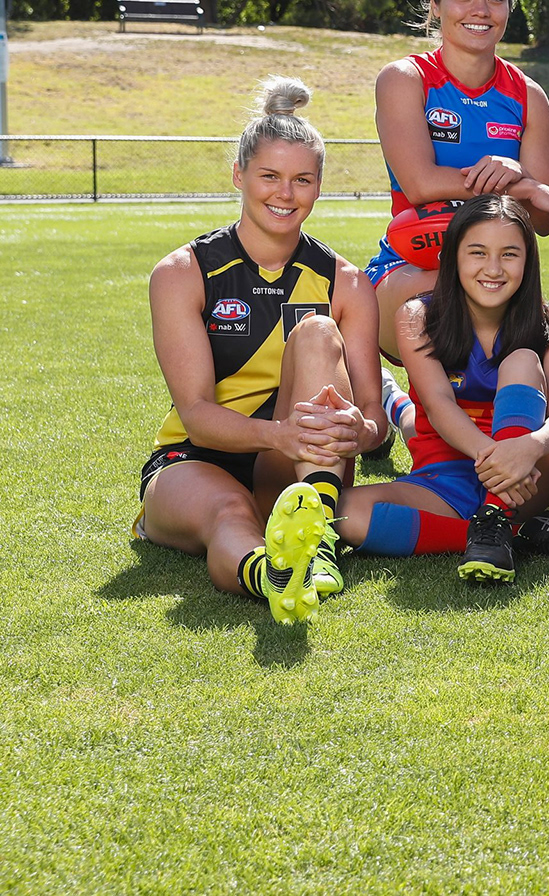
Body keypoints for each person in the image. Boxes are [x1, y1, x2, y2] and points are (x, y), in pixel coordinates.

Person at [139, 77, 386, 624]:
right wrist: (282, 434)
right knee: (230, 511)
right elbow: (196, 416)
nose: (285, 194)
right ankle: (272, 575)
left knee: (317, 331)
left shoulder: (347, 283)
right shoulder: (182, 273)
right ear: (239, 175)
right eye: (269, 176)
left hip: (298, 466)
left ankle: (317, 535)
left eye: (302, 180)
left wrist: (362, 431)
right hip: (196, 458)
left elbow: (374, 416)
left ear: (318, 186)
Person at [367, 0, 549, 438]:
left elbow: (545, 219)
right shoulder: (406, 78)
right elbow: (420, 183)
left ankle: (401, 407)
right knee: (459, 309)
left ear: (509, 8)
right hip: (412, 271)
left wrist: (527, 185)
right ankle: (394, 401)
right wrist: (520, 182)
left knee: (543, 335)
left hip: (494, 275)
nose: (480, 10)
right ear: (435, 3)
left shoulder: (528, 95)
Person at [334, 196, 549, 585]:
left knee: (522, 360)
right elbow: (438, 406)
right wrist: (494, 459)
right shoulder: (418, 316)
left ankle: (497, 516)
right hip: (447, 479)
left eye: (509, 254)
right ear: (452, 258)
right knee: (346, 514)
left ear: (529, 261)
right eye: (477, 252)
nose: (493, 268)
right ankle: (520, 535)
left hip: (528, 478)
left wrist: (529, 448)